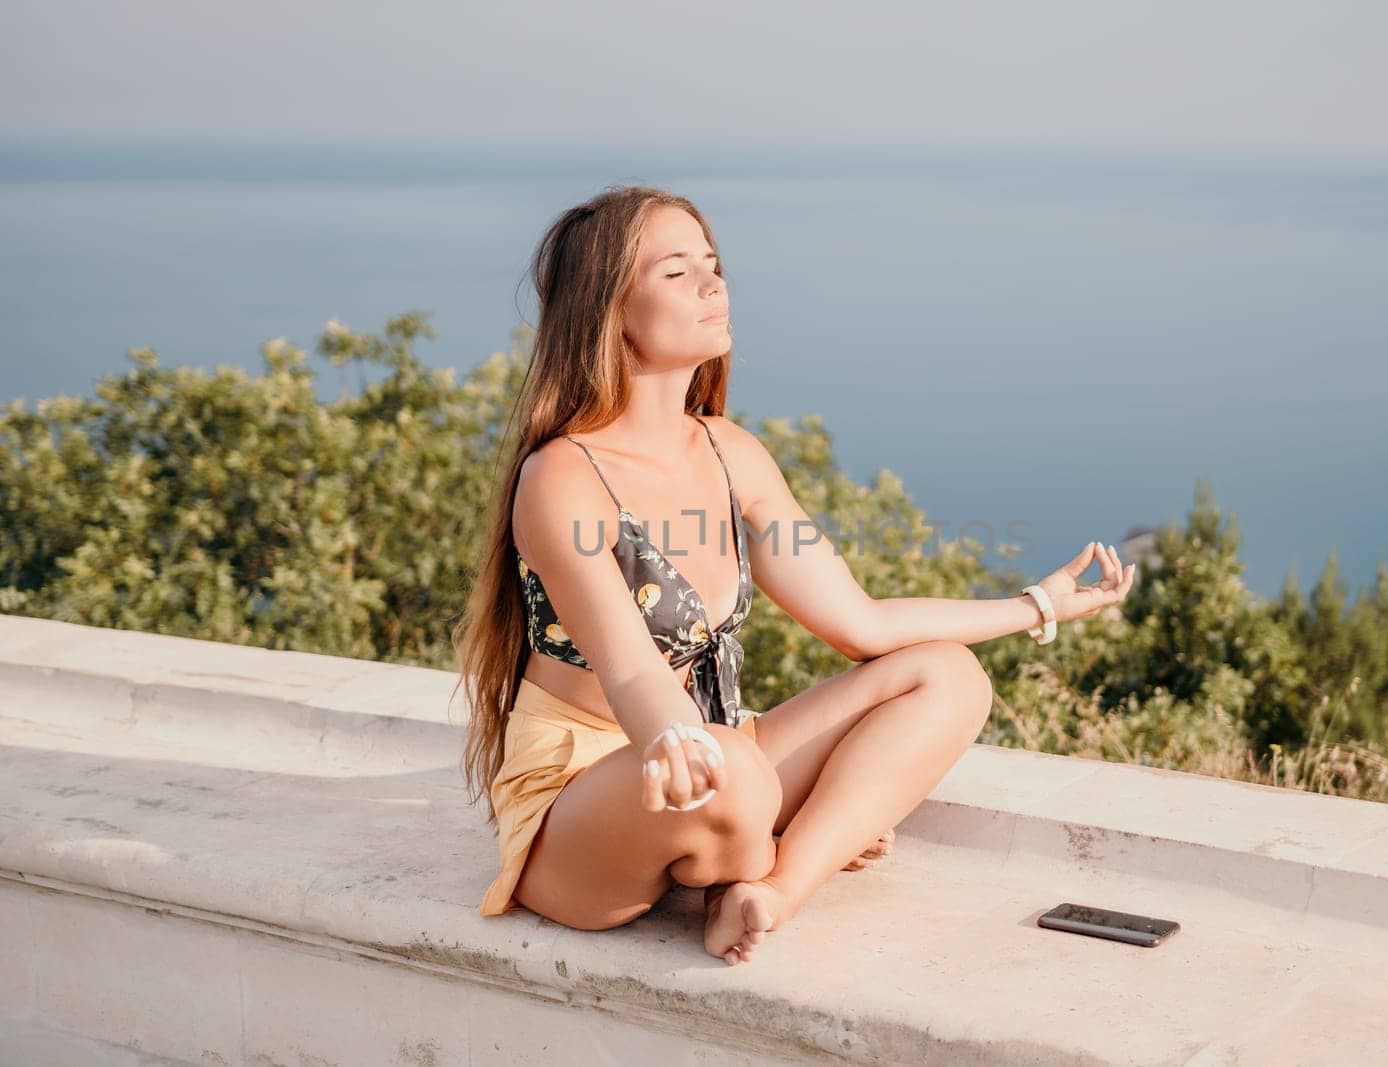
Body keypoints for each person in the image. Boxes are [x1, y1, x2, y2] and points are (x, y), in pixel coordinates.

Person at [452, 184, 1137, 967]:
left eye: (713, 266)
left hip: (716, 754)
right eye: (677, 273)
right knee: (737, 778)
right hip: (581, 798)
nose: (714, 286)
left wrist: (1035, 604)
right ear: (608, 310)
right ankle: (753, 831)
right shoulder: (562, 478)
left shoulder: (729, 453)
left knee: (948, 678)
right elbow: (635, 672)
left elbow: (862, 622)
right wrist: (687, 745)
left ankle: (767, 891)